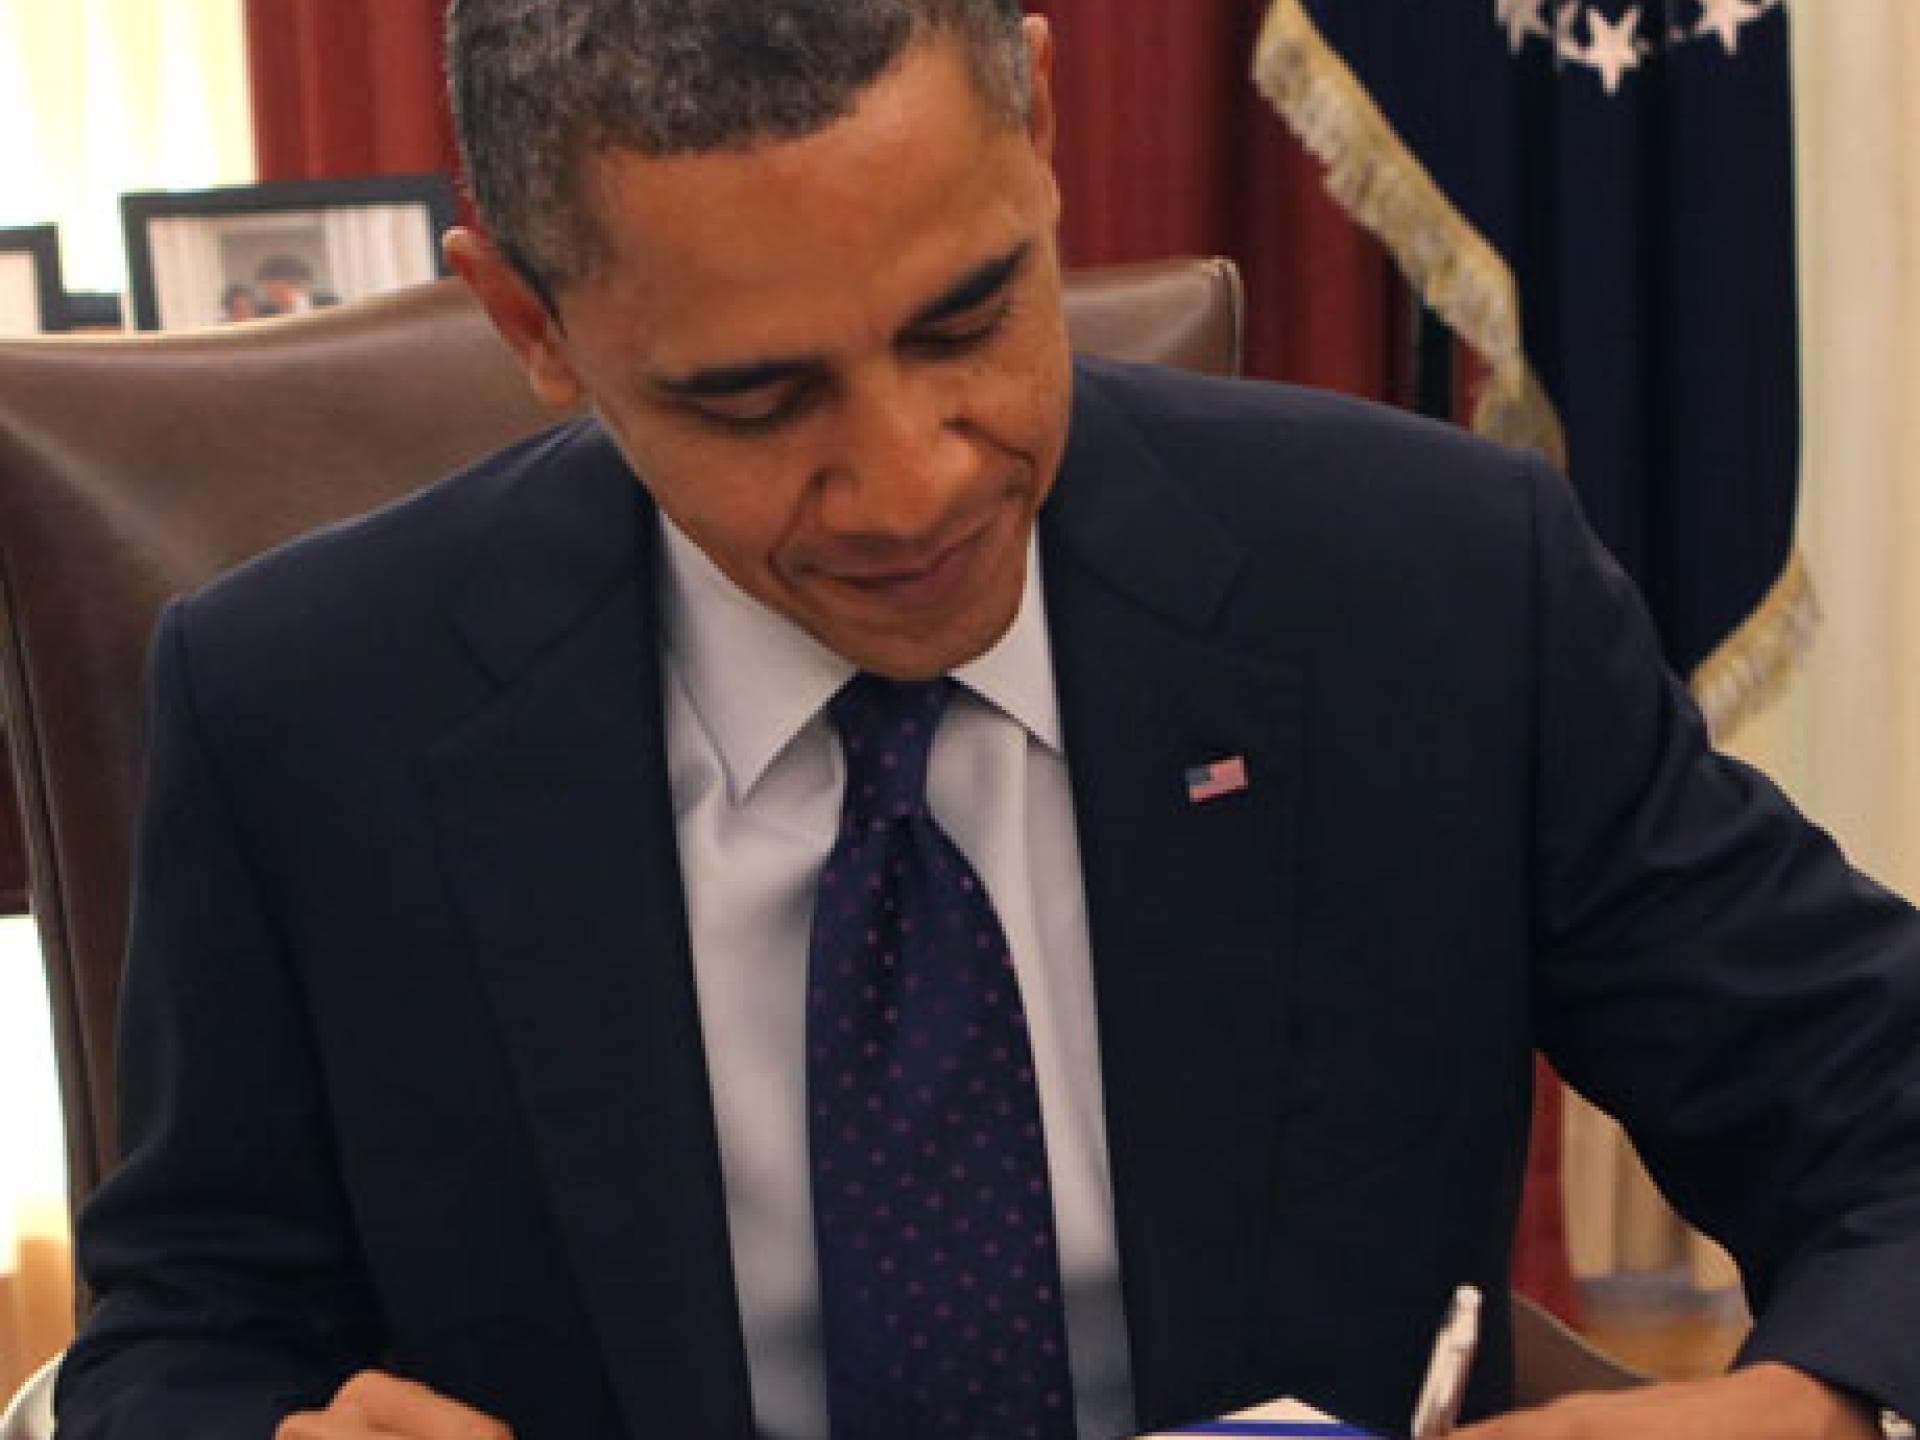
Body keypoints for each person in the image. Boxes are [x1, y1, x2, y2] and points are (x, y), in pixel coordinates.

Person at [51, 2, 1920, 1438]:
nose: (913, 484)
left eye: (965, 323)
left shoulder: (1431, 590)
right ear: (530, 324)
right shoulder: (308, 711)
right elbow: (185, 1335)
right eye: (757, 400)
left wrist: (1811, 1404)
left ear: (1038, 121)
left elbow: (1880, 1108)